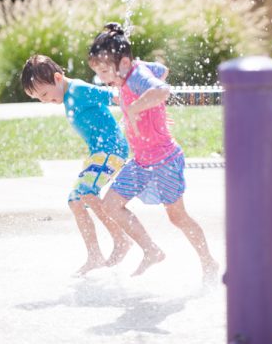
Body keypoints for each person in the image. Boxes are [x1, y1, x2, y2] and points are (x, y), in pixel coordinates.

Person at [88, 23, 219, 281]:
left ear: (123, 62)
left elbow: (162, 89)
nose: (103, 78)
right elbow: (162, 71)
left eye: (105, 71)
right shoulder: (132, 72)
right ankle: (150, 250)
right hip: (141, 162)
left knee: (177, 217)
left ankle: (209, 262)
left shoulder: (135, 77)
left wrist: (136, 107)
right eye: (98, 72)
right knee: (111, 205)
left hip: (165, 160)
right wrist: (133, 66)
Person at [21, 54, 139, 275]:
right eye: (39, 98)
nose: (45, 100)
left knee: (86, 192)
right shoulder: (67, 96)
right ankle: (94, 255)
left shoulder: (79, 90)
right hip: (99, 153)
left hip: (111, 150)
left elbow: (114, 96)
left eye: (45, 93)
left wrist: (140, 107)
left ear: (57, 78)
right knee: (75, 201)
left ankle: (121, 240)